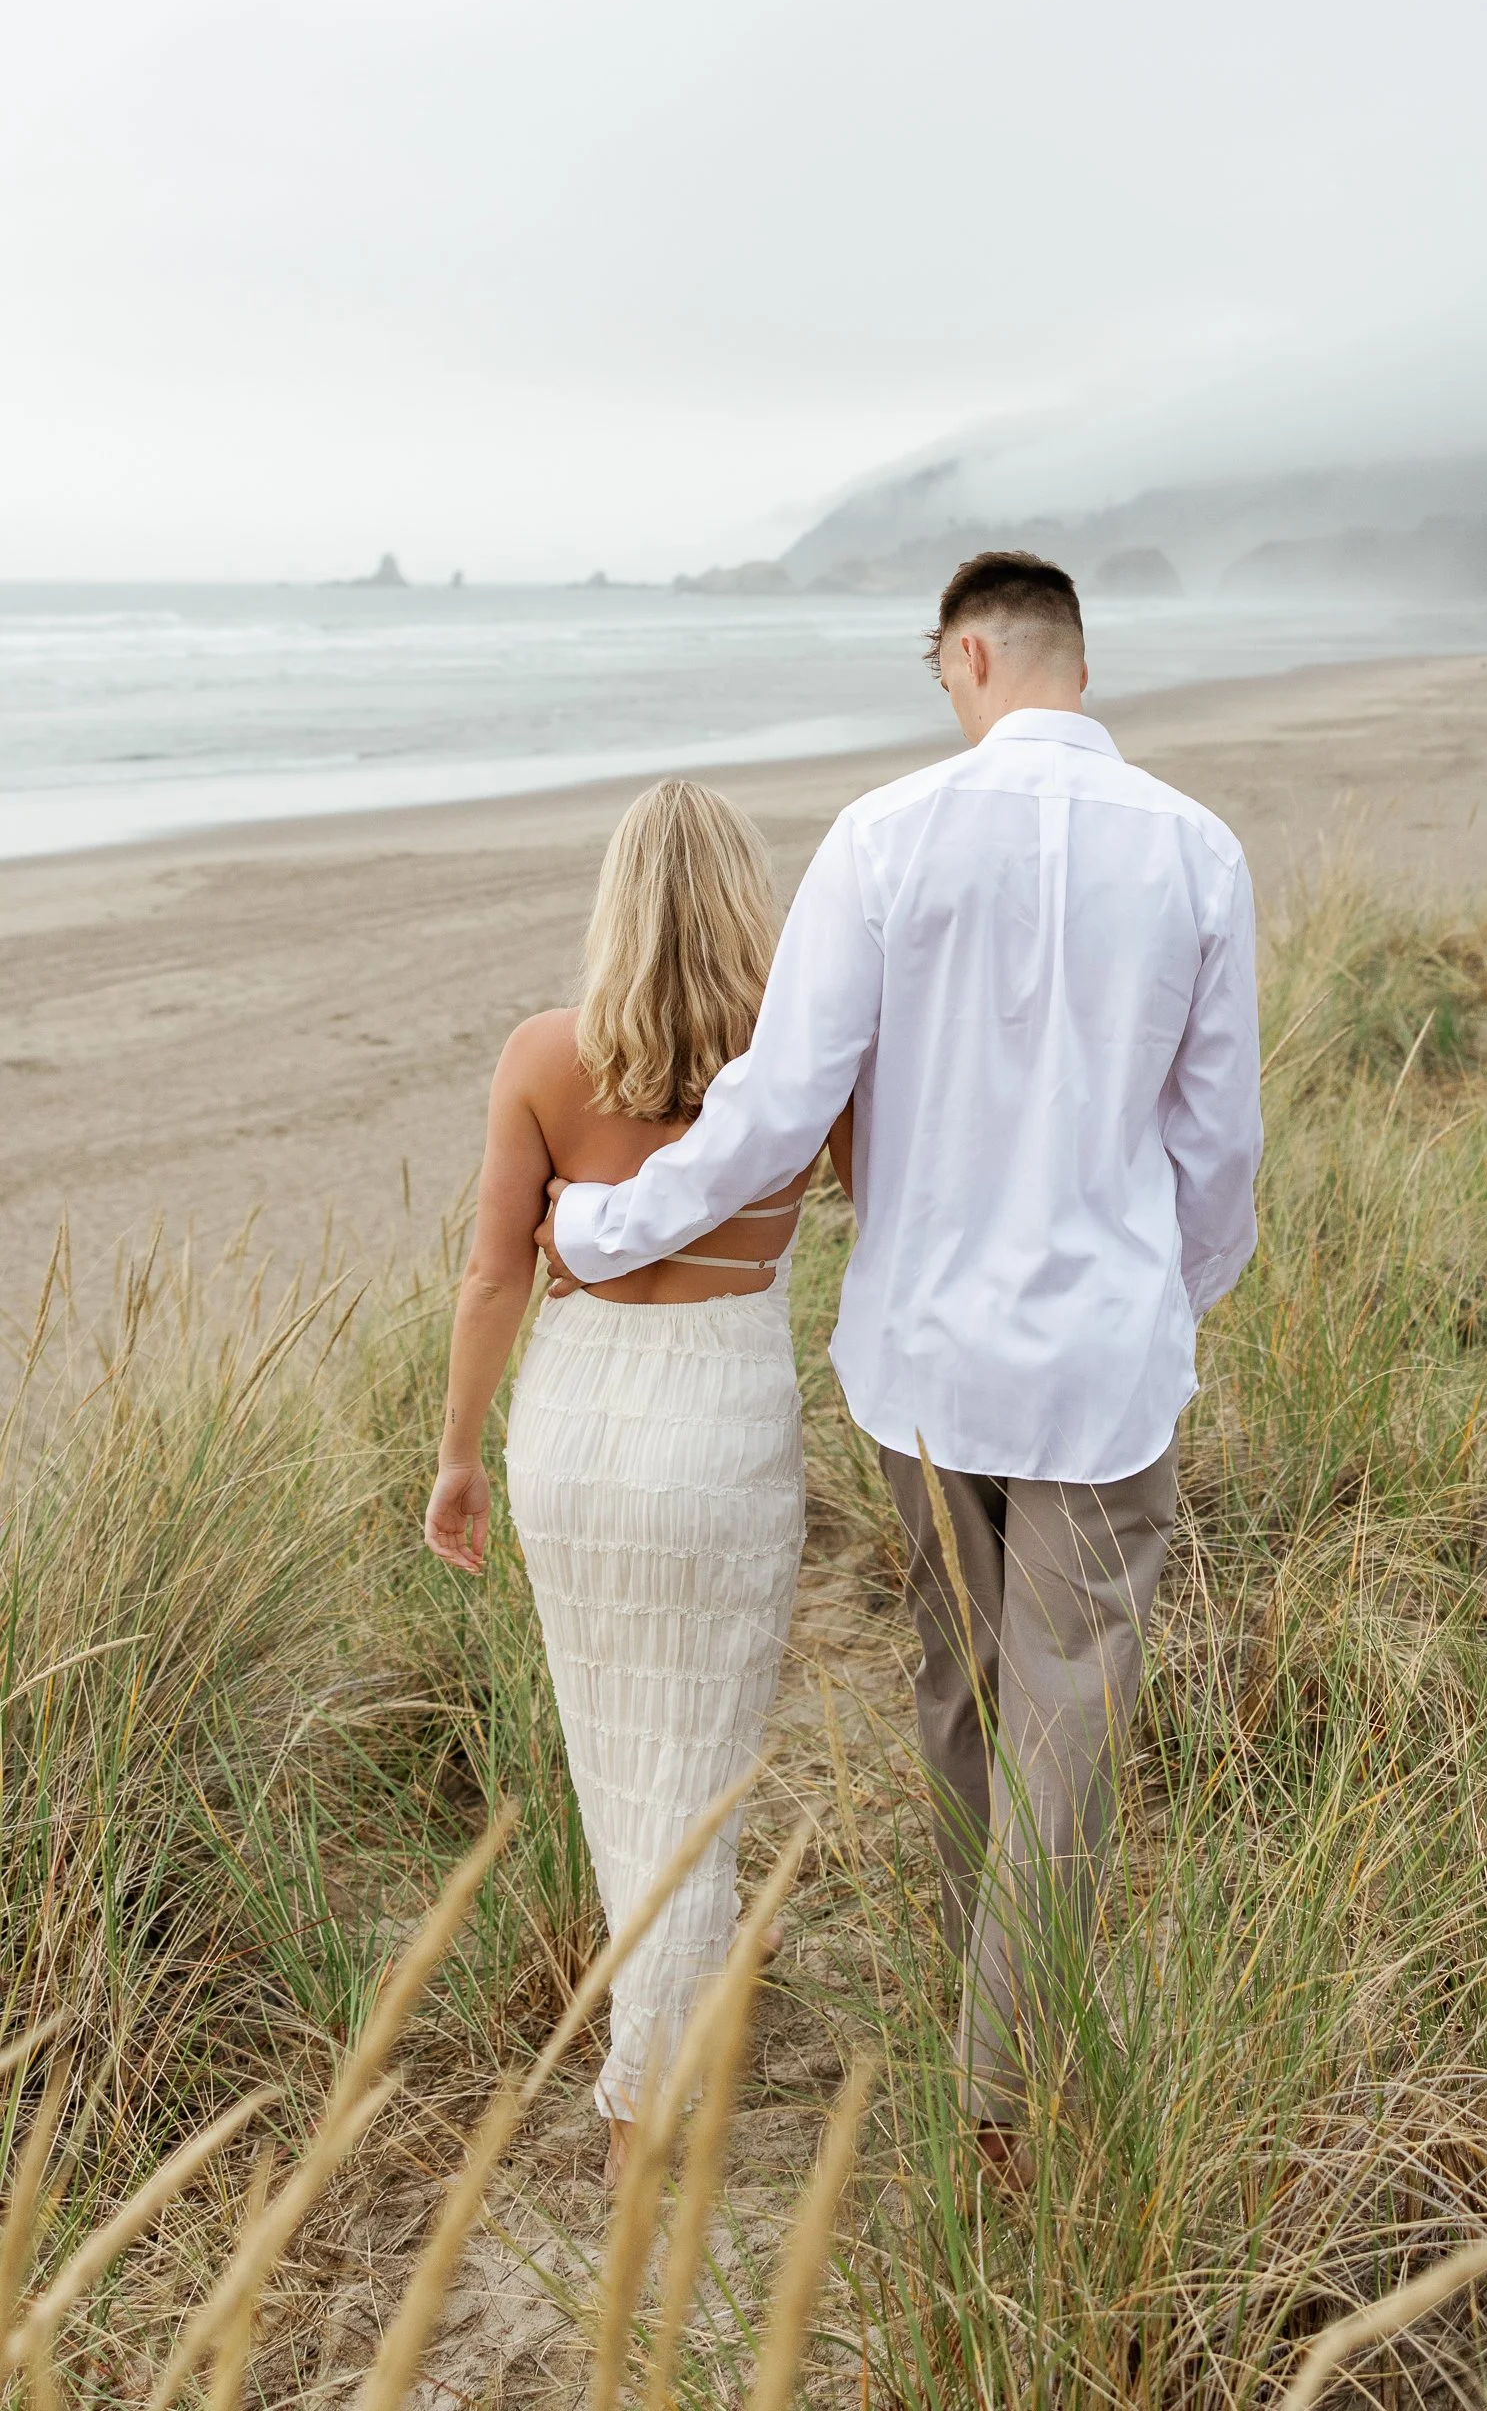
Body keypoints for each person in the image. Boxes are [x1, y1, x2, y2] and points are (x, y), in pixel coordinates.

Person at [538, 551, 1263, 2170]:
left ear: (974, 653)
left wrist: (598, 1235)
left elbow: (778, 1109)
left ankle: (986, 2032)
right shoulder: (1200, 856)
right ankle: (1010, 2076)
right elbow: (1219, 1152)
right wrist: (1174, 1303)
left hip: (923, 1369)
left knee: (963, 1690)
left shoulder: (881, 838)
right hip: (1100, 1371)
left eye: (938, 665)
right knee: (1064, 1713)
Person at [424, 778, 846, 2185]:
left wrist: (457, 1454)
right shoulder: (798, 1060)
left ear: (615, 905)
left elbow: (495, 1271)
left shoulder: (545, 1057)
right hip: (720, 1421)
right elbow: (880, 1192)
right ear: (744, 907)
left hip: (576, 1424)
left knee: (620, 1755)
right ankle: (641, 2103)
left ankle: (671, 2012)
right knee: (699, 1758)